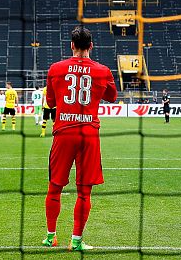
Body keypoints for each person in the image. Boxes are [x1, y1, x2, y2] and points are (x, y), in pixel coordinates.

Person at [42, 26, 117, 251]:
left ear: (72, 45)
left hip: (64, 132)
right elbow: (112, 97)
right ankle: (76, 241)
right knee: (84, 191)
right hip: (89, 135)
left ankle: (50, 237)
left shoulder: (56, 69)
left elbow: (51, 102)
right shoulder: (102, 70)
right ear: (91, 46)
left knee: (54, 188)